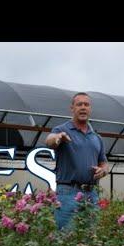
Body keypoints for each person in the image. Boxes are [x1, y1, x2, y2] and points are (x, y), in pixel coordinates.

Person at [45, 92, 109, 230]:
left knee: (91, 239)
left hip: (91, 193)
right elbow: (50, 141)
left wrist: (103, 171)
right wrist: (58, 137)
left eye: (86, 104)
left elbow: (103, 162)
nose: (83, 107)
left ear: (90, 109)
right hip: (68, 193)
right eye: (79, 104)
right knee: (65, 237)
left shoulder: (96, 137)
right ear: (72, 108)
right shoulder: (62, 130)